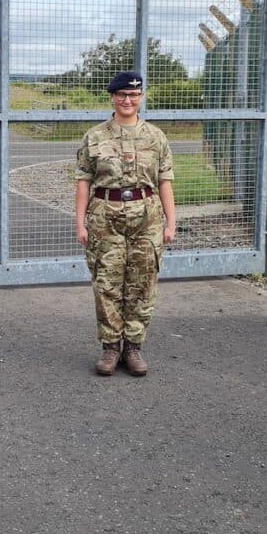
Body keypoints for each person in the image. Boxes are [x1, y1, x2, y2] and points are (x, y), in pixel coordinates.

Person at [75, 71, 176, 377]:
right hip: (105, 216)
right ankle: (110, 348)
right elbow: (83, 181)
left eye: (134, 95)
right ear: (113, 98)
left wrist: (171, 223)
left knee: (142, 283)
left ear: (141, 97)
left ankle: (133, 347)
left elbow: (165, 181)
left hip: (147, 217)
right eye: (122, 95)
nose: (128, 100)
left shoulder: (156, 137)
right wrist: (80, 223)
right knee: (106, 283)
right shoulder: (94, 136)